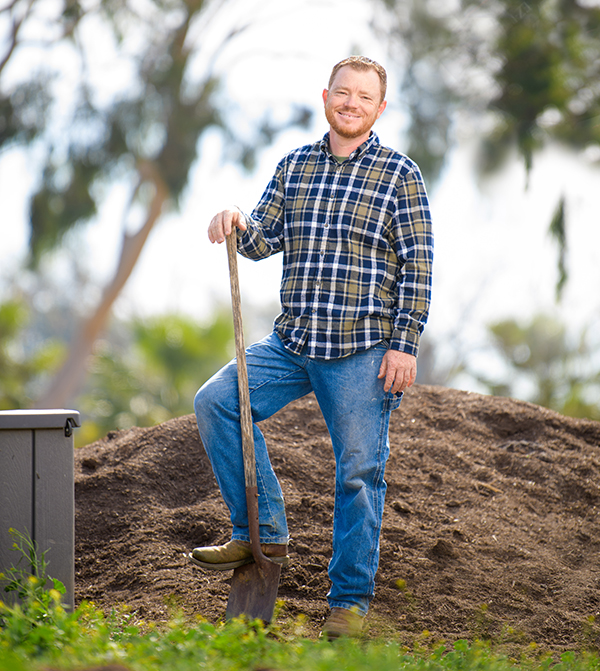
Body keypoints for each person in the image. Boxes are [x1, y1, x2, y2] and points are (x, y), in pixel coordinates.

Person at [190, 56, 434, 639]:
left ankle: (348, 604)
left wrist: (403, 345)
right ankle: (262, 528)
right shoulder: (295, 165)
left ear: (380, 108)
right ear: (325, 97)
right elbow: (262, 240)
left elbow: (417, 268)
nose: (351, 104)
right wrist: (235, 221)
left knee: (358, 475)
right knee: (217, 402)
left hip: (361, 350)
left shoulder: (401, 175)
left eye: (364, 97)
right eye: (342, 93)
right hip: (293, 341)